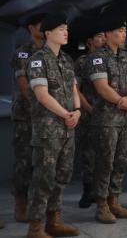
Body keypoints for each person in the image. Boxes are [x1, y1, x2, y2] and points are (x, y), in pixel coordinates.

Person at [25, 12, 81, 238]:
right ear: (48, 33)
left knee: (62, 175)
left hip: (67, 127)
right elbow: (42, 95)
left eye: (66, 28)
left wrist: (76, 110)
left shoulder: (66, 60)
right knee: (44, 177)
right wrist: (66, 113)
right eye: (60, 29)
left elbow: (74, 88)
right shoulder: (38, 60)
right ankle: (35, 227)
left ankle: (54, 221)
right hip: (49, 129)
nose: (66, 32)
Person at [87, 17, 127, 224]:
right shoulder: (97, 57)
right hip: (106, 119)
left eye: (125, 30)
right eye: (119, 30)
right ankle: (101, 205)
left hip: (125, 118)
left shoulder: (126, 56)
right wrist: (122, 101)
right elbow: (101, 87)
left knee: (121, 161)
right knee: (104, 162)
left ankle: (114, 200)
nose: (123, 34)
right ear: (107, 34)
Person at [10, 13, 45, 223]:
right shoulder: (23, 53)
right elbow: (23, 86)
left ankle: (39, 205)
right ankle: (20, 204)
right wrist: (41, 106)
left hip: (47, 119)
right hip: (27, 116)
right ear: (31, 28)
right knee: (24, 161)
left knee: (43, 162)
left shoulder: (50, 52)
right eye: (41, 24)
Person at [74, 25, 107, 208]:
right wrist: (88, 108)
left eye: (104, 36)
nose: (103, 39)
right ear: (89, 41)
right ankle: (88, 191)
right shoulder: (82, 61)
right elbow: (76, 89)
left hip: (109, 115)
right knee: (89, 155)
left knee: (106, 154)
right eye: (99, 36)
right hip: (90, 114)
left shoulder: (109, 59)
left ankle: (105, 192)